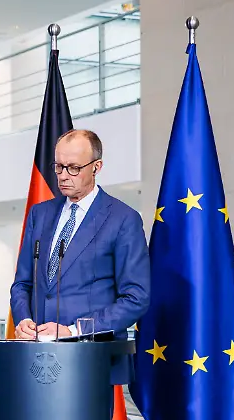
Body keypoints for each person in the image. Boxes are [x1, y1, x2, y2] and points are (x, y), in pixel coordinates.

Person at [10, 129, 150, 386]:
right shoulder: (39, 214)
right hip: (35, 360)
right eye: (59, 166)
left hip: (90, 360)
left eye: (73, 168)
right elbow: (22, 284)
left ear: (96, 167)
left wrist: (75, 331)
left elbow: (136, 298)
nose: (63, 176)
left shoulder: (123, 219)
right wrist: (24, 320)